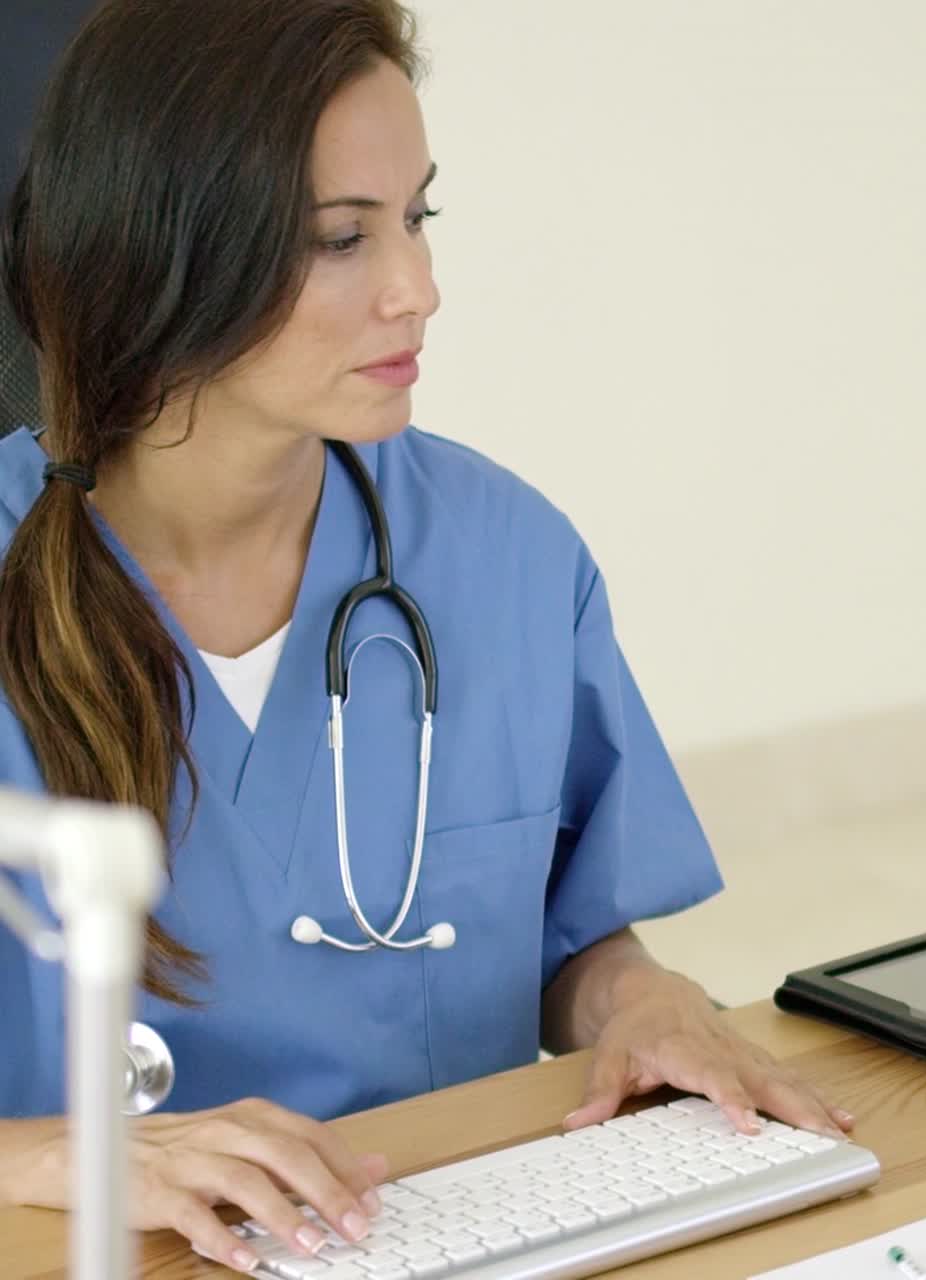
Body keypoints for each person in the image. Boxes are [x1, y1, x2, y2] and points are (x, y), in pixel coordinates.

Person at [0, 1, 854, 1272]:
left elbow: (577, 933)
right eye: (343, 238)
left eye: (418, 218)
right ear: (160, 251)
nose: (420, 289)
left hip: (461, 1231)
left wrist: (644, 999)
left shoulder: (506, 556)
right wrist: (46, 1153)